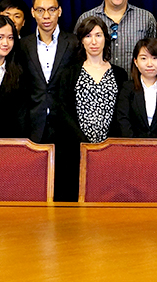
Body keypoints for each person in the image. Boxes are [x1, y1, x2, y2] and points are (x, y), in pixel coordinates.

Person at [54, 17, 128, 200]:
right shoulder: (69, 73)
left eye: (98, 35)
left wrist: (105, 145)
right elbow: (63, 111)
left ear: (106, 39)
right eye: (88, 36)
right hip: (75, 150)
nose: (93, 41)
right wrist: (84, 143)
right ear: (81, 40)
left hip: (110, 152)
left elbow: (122, 113)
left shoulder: (120, 74)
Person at [20, 0, 78, 144]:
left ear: (59, 11)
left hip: (66, 125)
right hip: (32, 126)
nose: (46, 16)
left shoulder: (74, 43)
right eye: (40, 10)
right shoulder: (23, 46)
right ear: (33, 13)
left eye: (51, 10)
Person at [74, 0, 156, 70]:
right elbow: (77, 54)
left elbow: (155, 54)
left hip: (135, 84)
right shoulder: (86, 18)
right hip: (97, 84)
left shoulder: (146, 18)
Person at [115, 38, 157, 142]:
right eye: (144, 58)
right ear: (136, 62)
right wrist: (136, 147)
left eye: (155, 58)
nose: (149, 64)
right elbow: (123, 120)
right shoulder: (127, 88)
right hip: (133, 149)